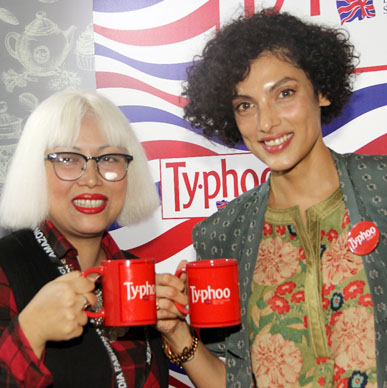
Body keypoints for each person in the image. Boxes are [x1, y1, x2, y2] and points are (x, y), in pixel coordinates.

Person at [155, 9, 387, 388]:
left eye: (285, 93)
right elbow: (234, 380)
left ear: (322, 90)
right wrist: (177, 333)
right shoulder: (223, 235)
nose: (266, 123)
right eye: (245, 105)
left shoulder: (380, 186)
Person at [0, 89, 169, 388]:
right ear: (35, 171)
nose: (91, 178)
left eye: (109, 158)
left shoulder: (137, 273)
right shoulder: (6, 265)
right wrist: (30, 333)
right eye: (67, 158)